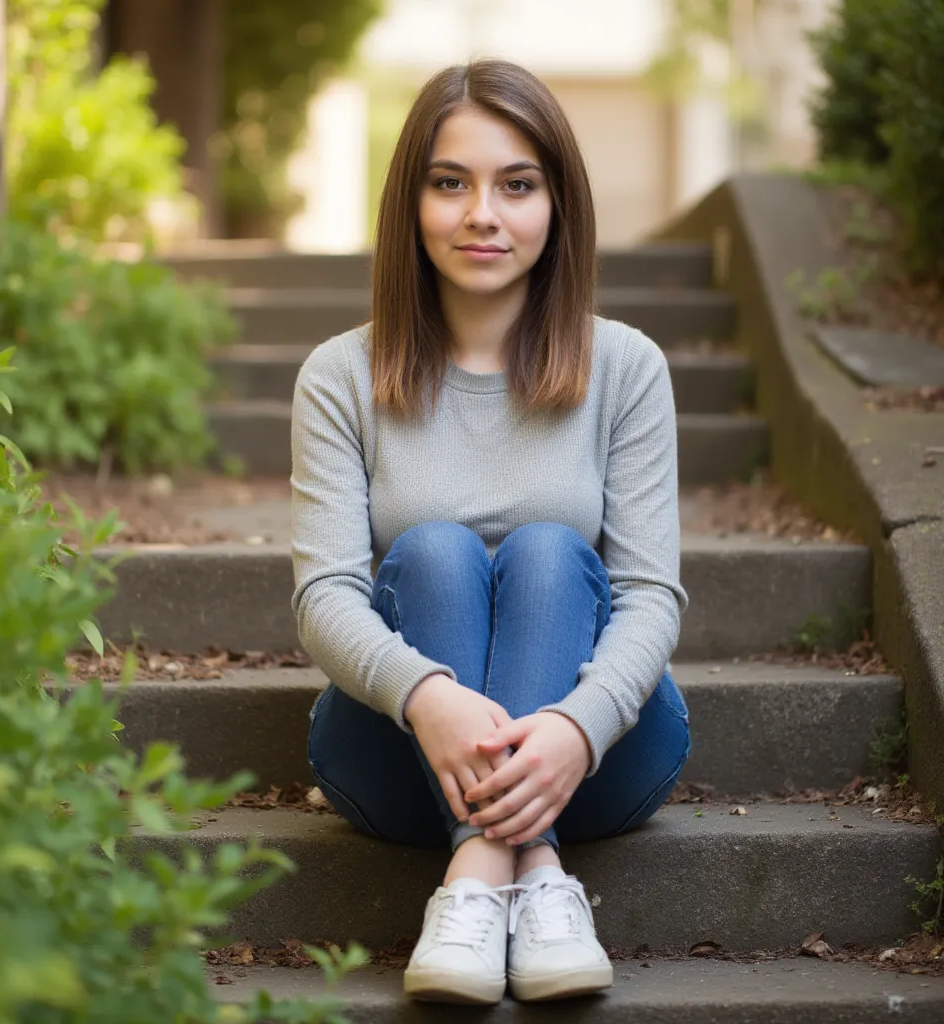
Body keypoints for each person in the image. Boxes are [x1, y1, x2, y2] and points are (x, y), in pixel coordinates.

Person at [290, 57, 691, 1006]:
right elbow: (324, 597)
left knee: (554, 553)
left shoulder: (625, 369)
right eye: (450, 183)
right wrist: (426, 695)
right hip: (398, 757)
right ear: (410, 203)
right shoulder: (341, 377)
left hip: (594, 759)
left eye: (517, 184)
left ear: (557, 204)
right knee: (431, 550)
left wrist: (573, 726)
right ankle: (522, 878)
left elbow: (648, 596)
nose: (483, 213)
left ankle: (483, 881)